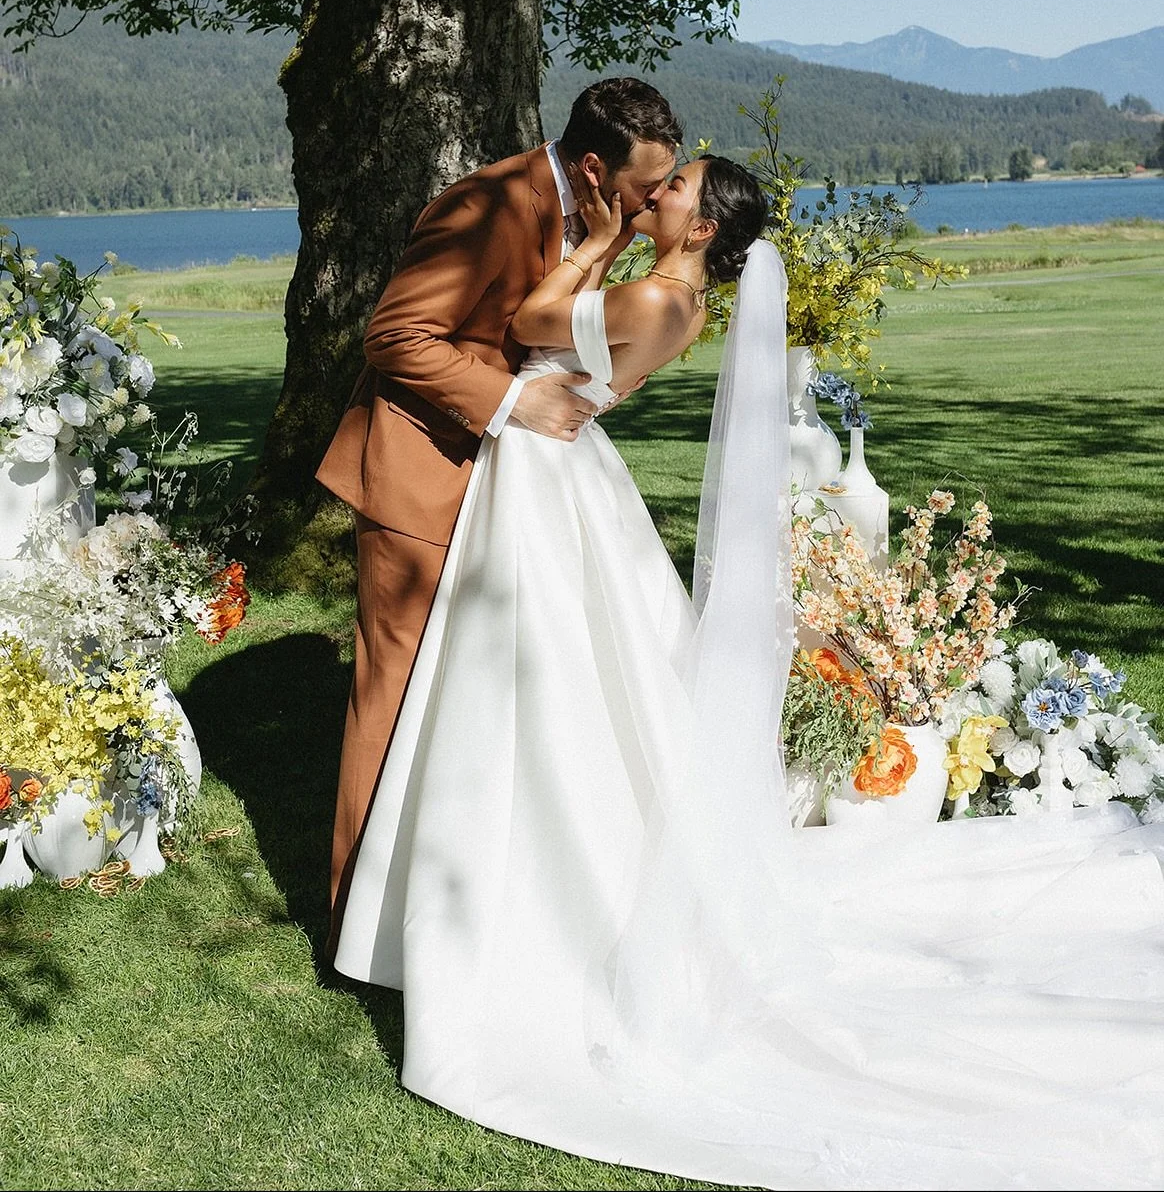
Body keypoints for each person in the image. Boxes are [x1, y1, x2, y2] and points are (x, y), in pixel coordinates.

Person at [334, 158, 1164, 1190]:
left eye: (674, 187)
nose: (657, 191)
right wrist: (608, 250)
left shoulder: (650, 293)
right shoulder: (672, 295)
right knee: (577, 677)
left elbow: (533, 322)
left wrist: (593, 245)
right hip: (559, 473)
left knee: (542, 681)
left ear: (703, 224)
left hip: (547, 477)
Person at [315, 78, 680, 939]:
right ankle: (350, 922)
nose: (652, 204)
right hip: (419, 475)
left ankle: (450, 912)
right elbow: (395, 336)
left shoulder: (602, 215)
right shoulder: (480, 205)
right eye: (643, 188)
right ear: (594, 167)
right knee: (394, 694)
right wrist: (516, 405)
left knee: (468, 695)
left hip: (510, 486)